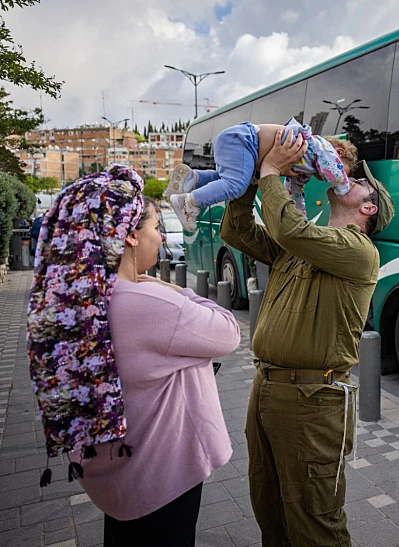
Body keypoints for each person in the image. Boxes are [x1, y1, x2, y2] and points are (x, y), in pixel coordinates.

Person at [27, 164, 240, 546]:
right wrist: (176, 290)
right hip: (162, 481)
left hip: (115, 481)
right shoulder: (150, 304)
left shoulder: (77, 300)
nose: (161, 237)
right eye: (156, 227)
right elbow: (229, 332)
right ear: (128, 235)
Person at [220, 130, 394, 546]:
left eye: (360, 181)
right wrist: (247, 180)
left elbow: (289, 230)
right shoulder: (303, 244)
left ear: (367, 207)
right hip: (267, 389)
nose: (350, 178)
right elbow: (236, 232)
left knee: (315, 522)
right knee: (270, 509)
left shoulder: (359, 250)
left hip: (312, 401)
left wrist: (271, 171)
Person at [167, 118, 358, 230]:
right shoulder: (321, 147)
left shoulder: (304, 170)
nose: (326, 179)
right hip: (244, 140)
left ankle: (193, 178)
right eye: (342, 168)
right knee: (236, 186)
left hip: (239, 142)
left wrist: (301, 219)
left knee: (230, 180)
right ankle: (189, 203)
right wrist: (344, 188)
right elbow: (334, 171)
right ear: (339, 153)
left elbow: (294, 193)